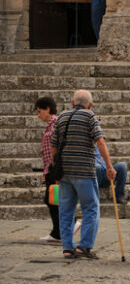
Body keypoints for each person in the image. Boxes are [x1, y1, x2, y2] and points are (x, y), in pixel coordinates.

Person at [51, 90, 116, 259]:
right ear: (90, 104)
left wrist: (56, 167)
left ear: (72, 102)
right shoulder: (89, 116)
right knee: (91, 208)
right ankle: (84, 247)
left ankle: (67, 248)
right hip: (84, 172)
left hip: (65, 172)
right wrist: (109, 166)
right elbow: (100, 141)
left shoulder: (62, 117)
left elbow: (53, 147)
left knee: (65, 210)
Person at [35, 97, 82, 243]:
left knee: (55, 199)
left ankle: (65, 228)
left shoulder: (56, 123)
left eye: (39, 111)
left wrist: (54, 170)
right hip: (51, 169)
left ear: (47, 108)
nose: (38, 115)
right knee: (53, 199)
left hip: (56, 169)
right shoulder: (49, 126)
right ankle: (60, 231)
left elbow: (57, 147)